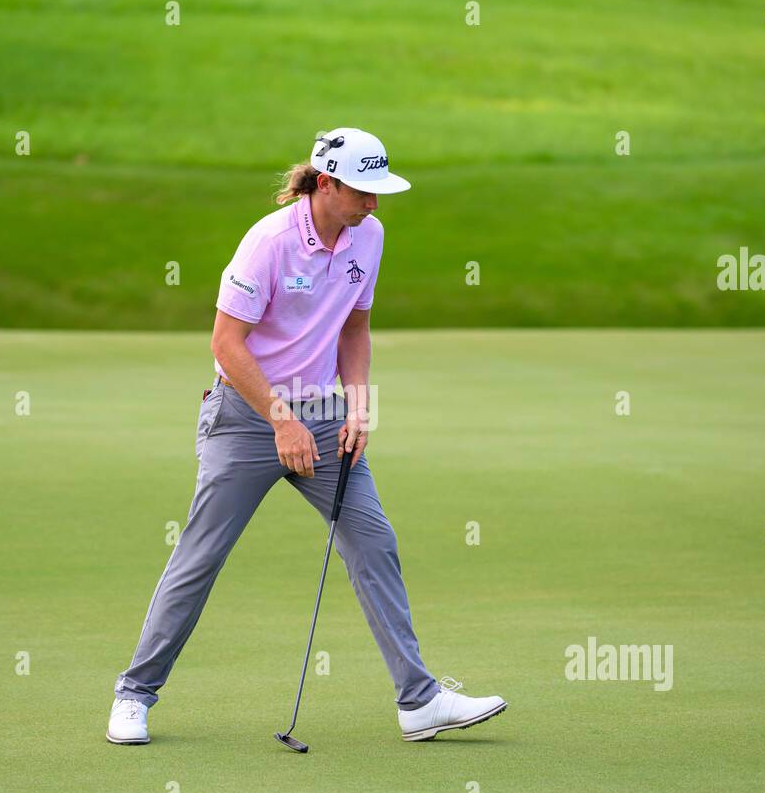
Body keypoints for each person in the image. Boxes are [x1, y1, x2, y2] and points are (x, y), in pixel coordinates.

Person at [108, 128, 506, 745]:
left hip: (321, 415)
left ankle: (419, 701)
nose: (374, 204)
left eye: (379, 193)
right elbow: (225, 344)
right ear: (326, 183)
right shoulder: (266, 243)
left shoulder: (368, 236)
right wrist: (279, 418)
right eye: (363, 192)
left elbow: (354, 326)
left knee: (374, 544)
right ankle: (134, 695)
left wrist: (359, 405)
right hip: (245, 417)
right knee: (201, 557)